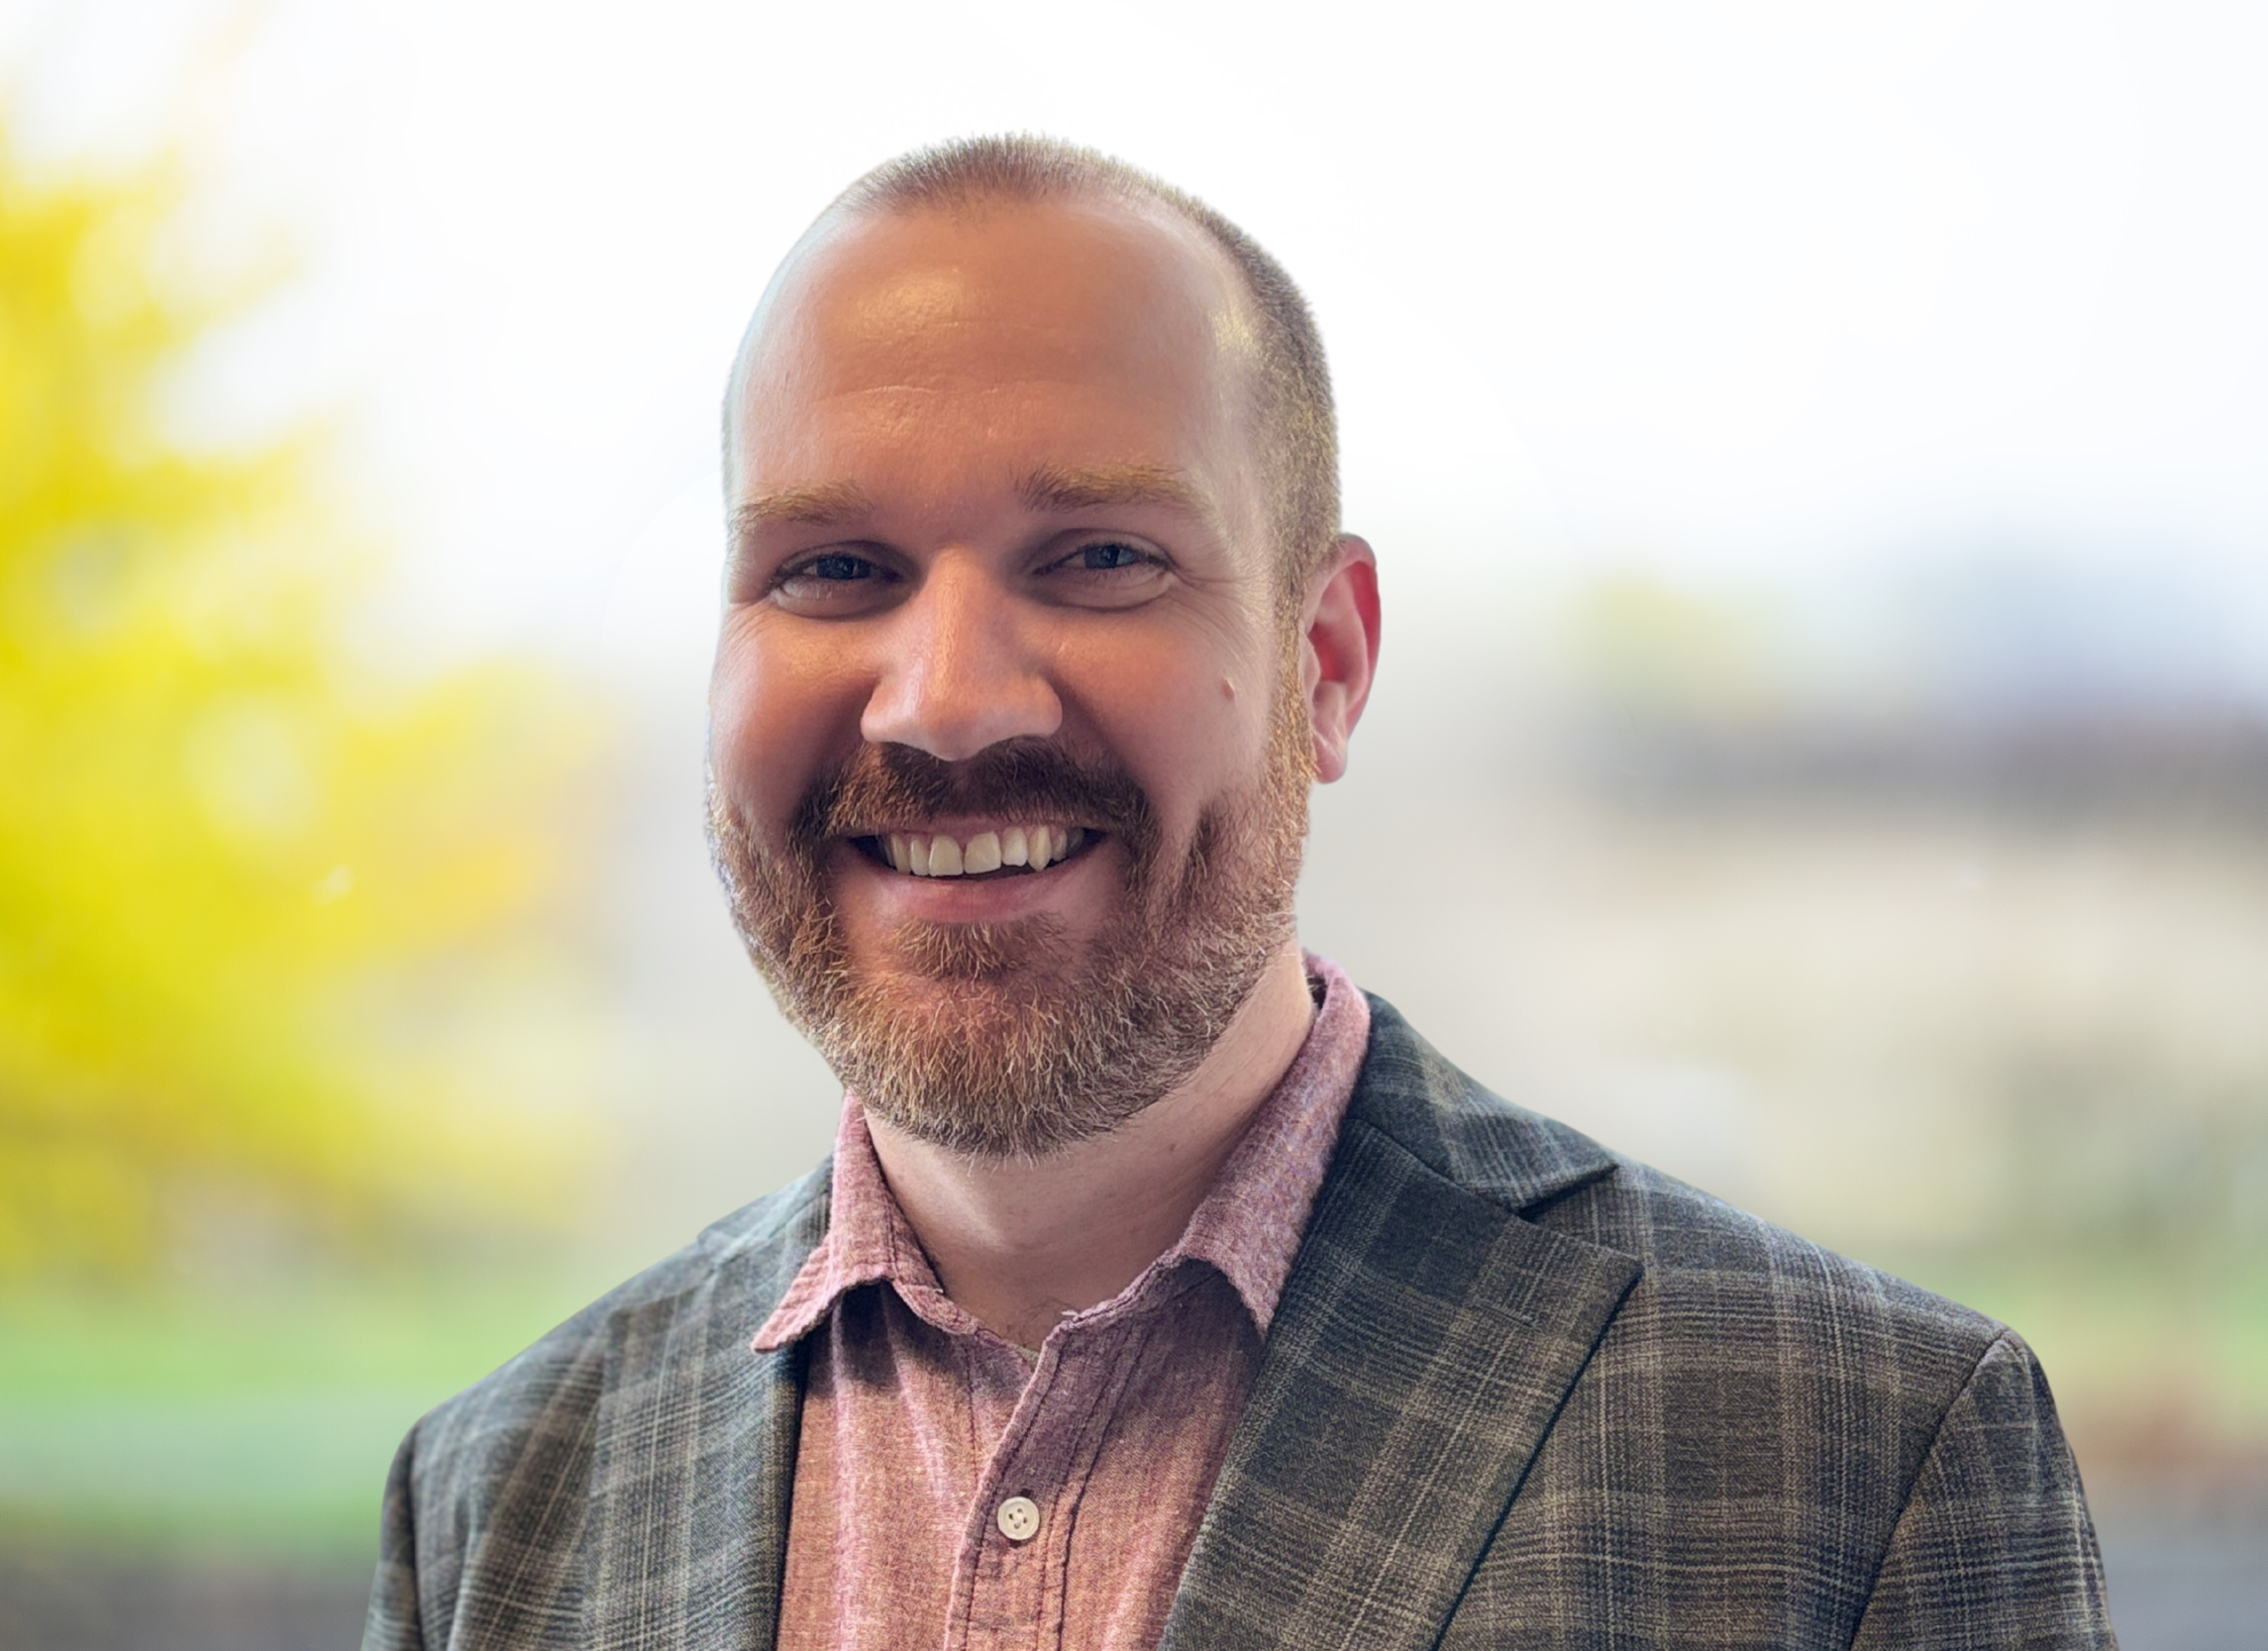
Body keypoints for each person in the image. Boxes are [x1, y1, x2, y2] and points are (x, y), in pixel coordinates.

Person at [361, 137, 2113, 1651]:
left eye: (1102, 559)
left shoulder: (1857, 1465)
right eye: (833, 570)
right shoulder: (495, 1506)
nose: (947, 698)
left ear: (1327, 662)